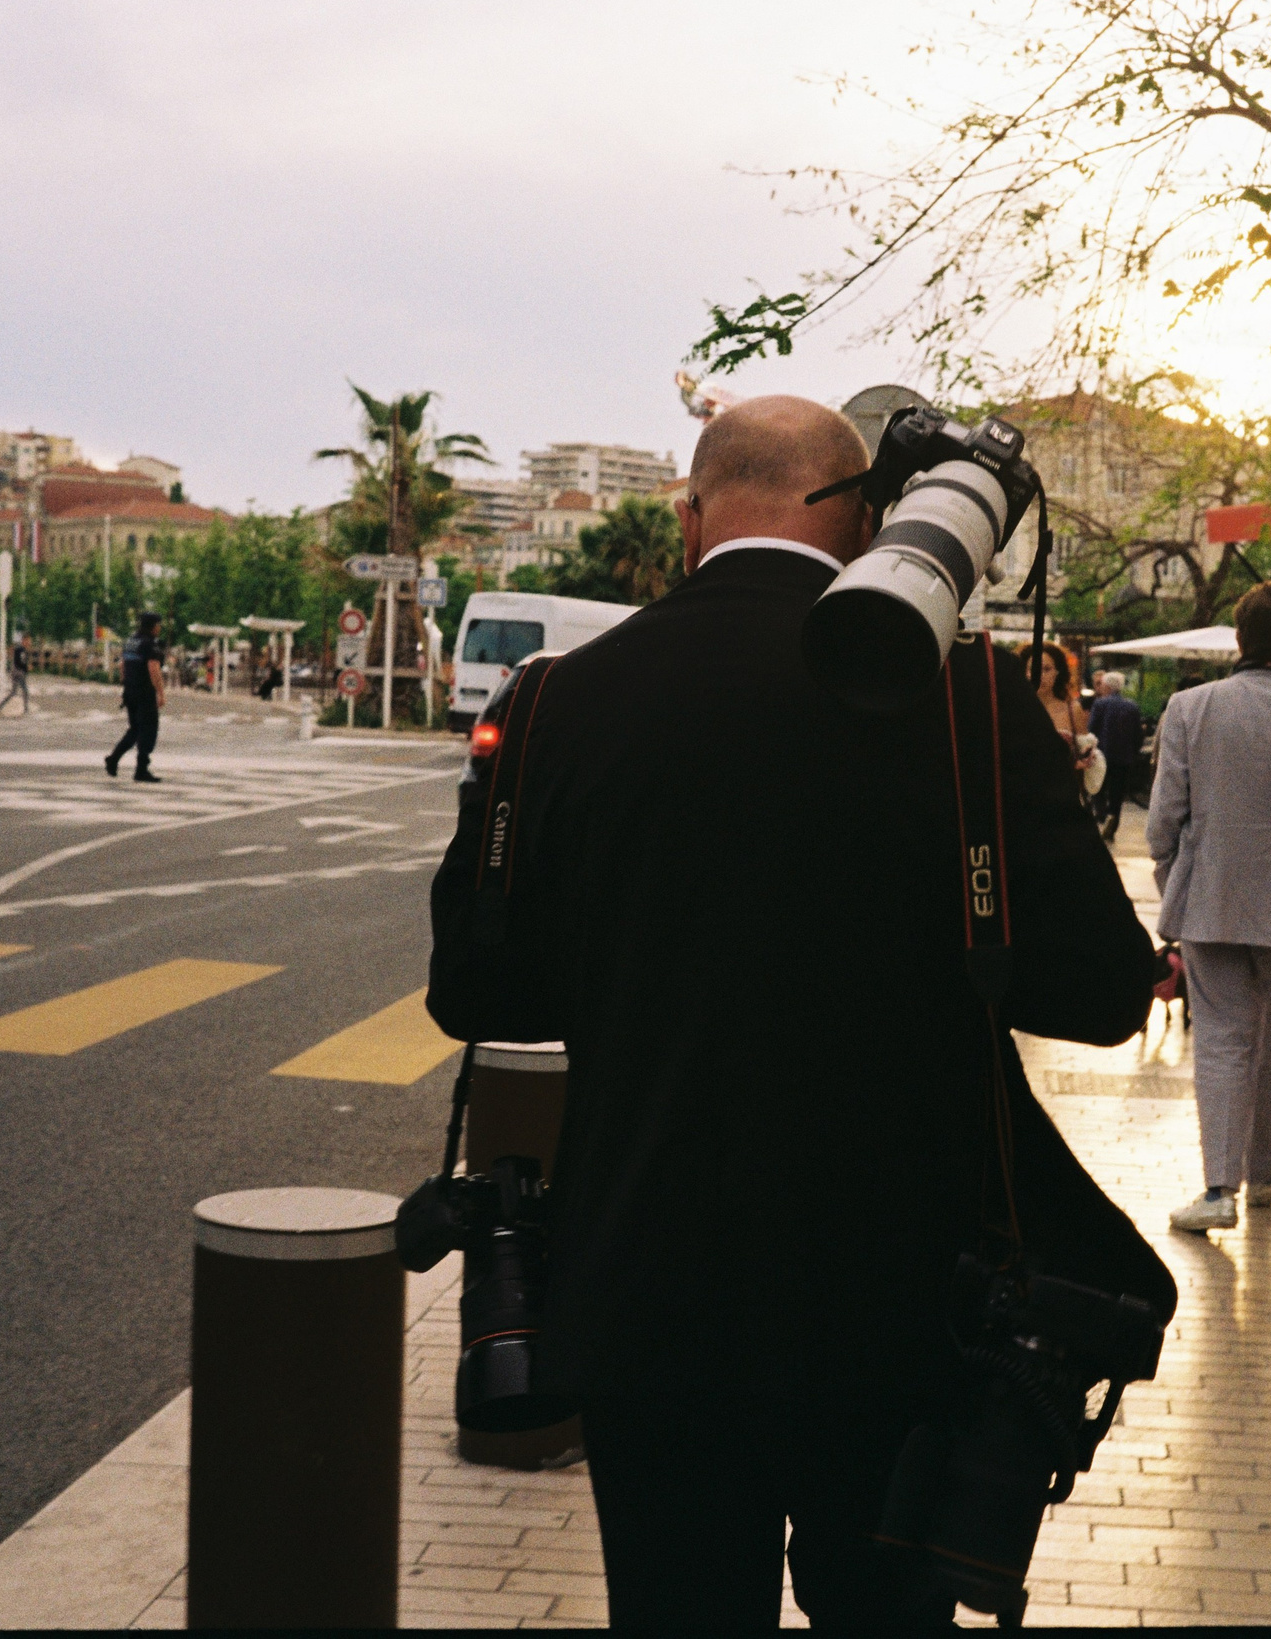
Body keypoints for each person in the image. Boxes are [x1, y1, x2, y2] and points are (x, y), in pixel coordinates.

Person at [426, 395, 1173, 1629]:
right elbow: (1102, 994)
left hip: (648, 1301)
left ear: (688, 521)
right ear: (870, 520)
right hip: (904, 1310)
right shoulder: (968, 701)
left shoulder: (560, 701)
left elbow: (476, 991)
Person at [1145, 580, 1271, 1233]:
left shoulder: (1189, 707)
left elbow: (1162, 820)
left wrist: (1170, 876)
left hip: (1209, 893)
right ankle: (1262, 1168)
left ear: (1237, 637)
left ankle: (1217, 1187)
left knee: (1222, 1040)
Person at [1021, 642, 1101, 804]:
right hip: (1023, 798)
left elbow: (1087, 752)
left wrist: (1085, 759)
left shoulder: (1072, 709)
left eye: (1047, 669)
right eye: (1033, 668)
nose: (1039, 675)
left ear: (1058, 672)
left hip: (1063, 800)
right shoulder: (1014, 709)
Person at [106, 613, 165, 782]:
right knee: (148, 730)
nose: (159, 628)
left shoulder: (130, 642)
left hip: (130, 691)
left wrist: (126, 685)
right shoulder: (149, 644)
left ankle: (113, 758)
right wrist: (160, 693)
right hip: (144, 693)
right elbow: (153, 668)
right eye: (158, 625)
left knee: (134, 729)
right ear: (152, 626)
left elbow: (122, 665)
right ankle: (141, 769)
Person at [1087, 670, 1145, 843]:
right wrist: (1133, 752)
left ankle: (1102, 815)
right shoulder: (1132, 706)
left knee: (1098, 788)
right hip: (1123, 758)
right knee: (1117, 793)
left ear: (1107, 686)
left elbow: (1092, 729)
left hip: (1102, 755)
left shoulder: (1100, 704)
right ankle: (1113, 820)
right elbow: (1138, 735)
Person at [6, 634, 30, 715]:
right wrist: (26, 668)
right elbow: (18, 662)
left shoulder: (23, 650)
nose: (29, 642)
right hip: (19, 673)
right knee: (25, 691)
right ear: (23, 640)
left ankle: (0, 706)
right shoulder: (20, 650)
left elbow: (22, 662)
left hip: (18, 673)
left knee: (13, 692)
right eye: (27, 641)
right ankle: (26, 709)